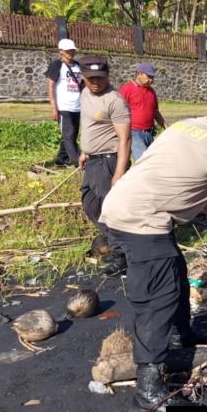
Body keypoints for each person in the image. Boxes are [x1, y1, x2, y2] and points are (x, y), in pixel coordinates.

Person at [100, 86, 207, 412]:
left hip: (123, 207)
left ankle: (182, 338)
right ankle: (149, 390)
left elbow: (173, 170)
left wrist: (205, 199)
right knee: (158, 297)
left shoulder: (183, 126)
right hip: (142, 220)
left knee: (175, 272)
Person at [77, 55, 131, 276]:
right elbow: (88, 125)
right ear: (83, 76)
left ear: (108, 75)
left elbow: (125, 139)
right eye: (91, 78)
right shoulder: (84, 93)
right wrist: (84, 151)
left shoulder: (115, 100)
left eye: (100, 77)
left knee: (110, 209)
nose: (96, 82)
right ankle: (116, 243)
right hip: (92, 159)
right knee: (89, 202)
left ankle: (122, 256)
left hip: (109, 160)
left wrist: (119, 171)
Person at [118, 63, 167, 161]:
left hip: (149, 133)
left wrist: (166, 127)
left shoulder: (151, 91)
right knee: (143, 161)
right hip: (134, 132)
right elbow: (117, 112)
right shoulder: (126, 89)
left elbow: (155, 111)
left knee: (152, 161)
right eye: (149, 76)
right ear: (139, 74)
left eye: (152, 77)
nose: (151, 80)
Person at [46, 39, 82, 167]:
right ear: (61, 51)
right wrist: (53, 107)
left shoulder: (78, 66)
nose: (70, 53)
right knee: (68, 136)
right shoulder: (56, 65)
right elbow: (51, 86)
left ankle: (61, 158)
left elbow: (83, 85)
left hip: (78, 106)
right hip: (63, 106)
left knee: (72, 135)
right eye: (67, 51)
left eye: (72, 50)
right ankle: (77, 163)